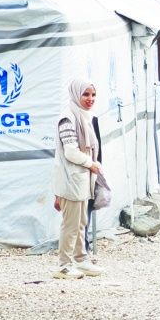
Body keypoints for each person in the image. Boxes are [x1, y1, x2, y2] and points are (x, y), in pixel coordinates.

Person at [51, 79, 104, 280]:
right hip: (71, 179)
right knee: (71, 224)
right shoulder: (68, 118)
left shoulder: (84, 116)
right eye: (86, 94)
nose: (90, 99)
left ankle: (81, 259)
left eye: (93, 95)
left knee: (81, 221)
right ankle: (64, 265)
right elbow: (71, 151)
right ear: (76, 94)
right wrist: (91, 164)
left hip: (81, 180)